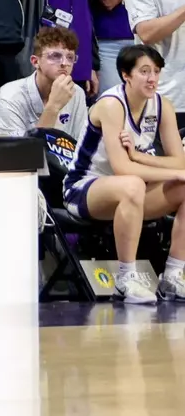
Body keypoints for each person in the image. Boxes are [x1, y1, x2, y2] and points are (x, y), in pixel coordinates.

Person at [60, 42, 185, 303]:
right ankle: (125, 278)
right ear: (126, 75)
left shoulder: (163, 106)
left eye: (156, 72)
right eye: (144, 71)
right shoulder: (111, 104)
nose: (152, 78)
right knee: (133, 183)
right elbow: (122, 168)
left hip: (131, 194)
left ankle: (174, 276)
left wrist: (138, 156)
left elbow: (180, 162)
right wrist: (171, 173)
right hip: (85, 188)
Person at [0, 26, 90, 137]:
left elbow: (81, 143)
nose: (64, 63)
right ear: (35, 62)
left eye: (70, 57)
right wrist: (53, 107)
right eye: (55, 56)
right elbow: (21, 148)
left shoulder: (76, 93)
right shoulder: (9, 97)